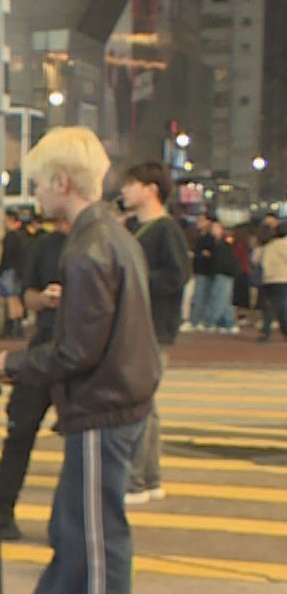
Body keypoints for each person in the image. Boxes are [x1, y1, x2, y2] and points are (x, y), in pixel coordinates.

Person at [0, 127, 159, 594]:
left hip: (101, 407)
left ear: (62, 182)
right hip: (117, 402)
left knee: (96, 533)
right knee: (73, 524)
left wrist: (9, 364)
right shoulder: (113, 234)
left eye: (37, 183)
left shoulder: (87, 249)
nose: (34, 193)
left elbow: (76, 351)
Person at [119, 163, 190, 505]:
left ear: (151, 189)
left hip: (153, 326)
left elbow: (177, 277)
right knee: (145, 405)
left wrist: (135, 280)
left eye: (130, 184)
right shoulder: (137, 227)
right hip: (141, 325)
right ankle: (148, 479)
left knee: (138, 402)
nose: (123, 190)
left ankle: (136, 481)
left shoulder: (166, 230)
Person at [0, 221, 68, 540]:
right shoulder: (44, 246)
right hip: (44, 345)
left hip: (80, 350)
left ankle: (69, 524)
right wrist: (45, 300)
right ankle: (1, 512)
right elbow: (28, 296)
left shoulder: (99, 241)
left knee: (80, 441)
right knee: (20, 430)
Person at [259, 221, 287, 342]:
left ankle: (279, 330)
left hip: (268, 279)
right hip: (281, 278)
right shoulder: (283, 244)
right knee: (279, 306)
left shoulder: (269, 245)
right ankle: (267, 330)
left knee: (274, 306)